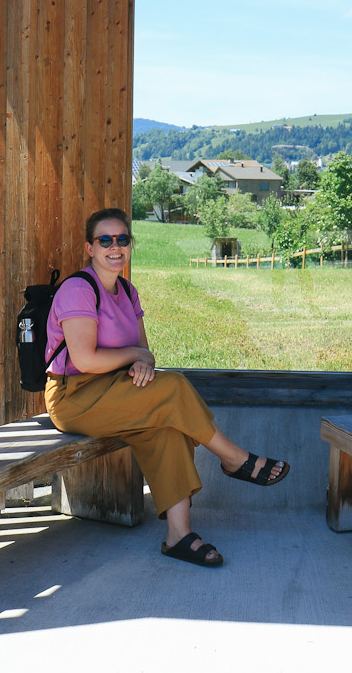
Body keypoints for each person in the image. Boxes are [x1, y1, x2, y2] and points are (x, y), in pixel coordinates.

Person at [44, 207, 288, 567]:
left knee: (167, 427)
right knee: (173, 387)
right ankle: (234, 458)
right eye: (105, 240)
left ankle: (179, 535)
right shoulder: (78, 290)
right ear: (89, 248)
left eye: (122, 239)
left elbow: (144, 352)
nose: (115, 247)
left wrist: (143, 360)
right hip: (74, 396)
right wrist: (138, 354)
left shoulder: (127, 291)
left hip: (116, 390)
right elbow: (86, 360)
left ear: (130, 245)